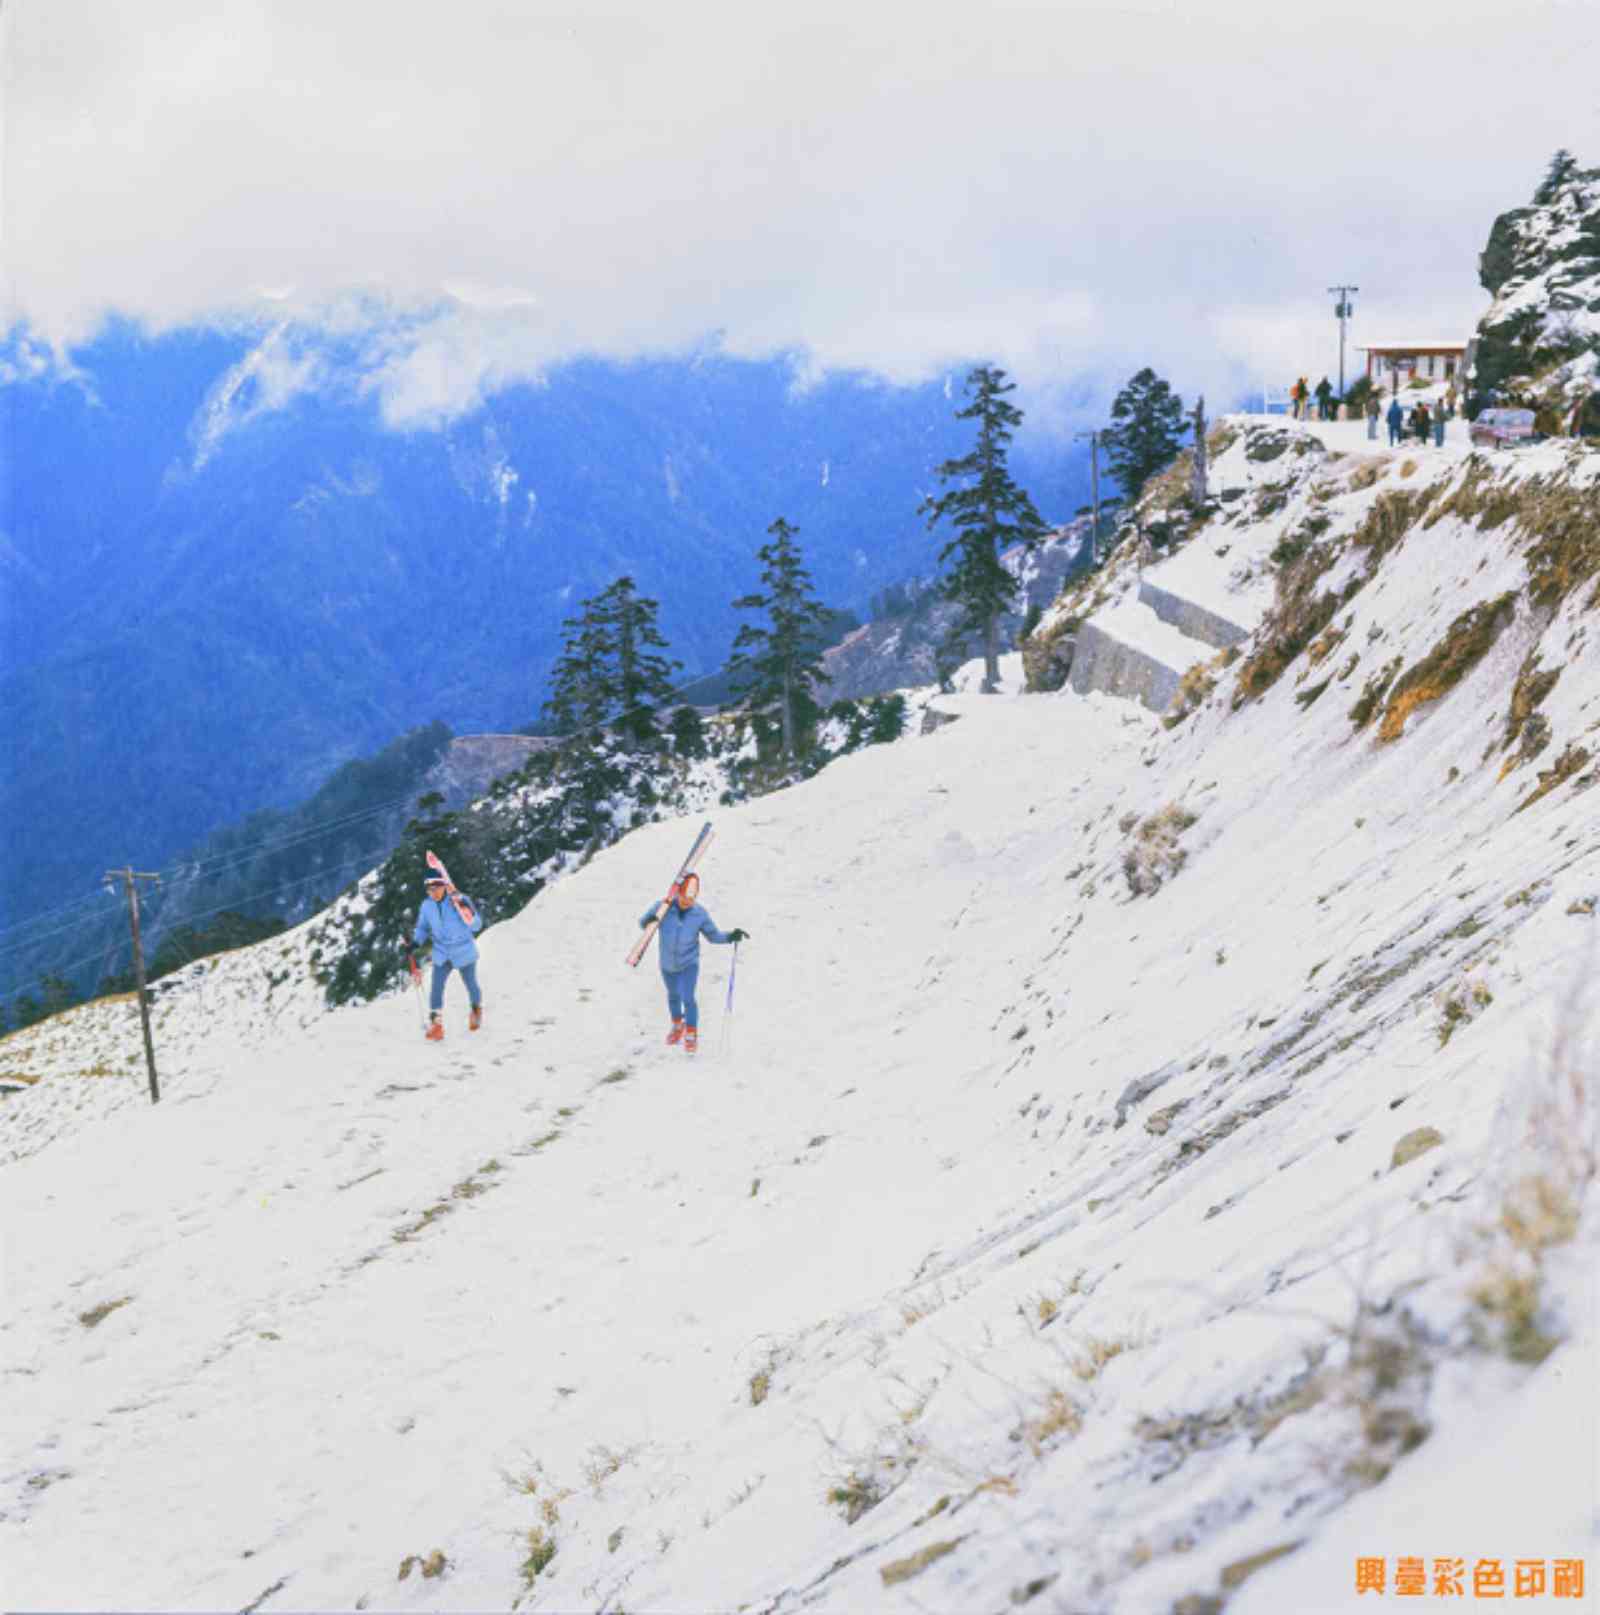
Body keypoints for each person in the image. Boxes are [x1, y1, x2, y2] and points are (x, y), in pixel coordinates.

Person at [639, 872, 747, 1054]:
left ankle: (691, 1032)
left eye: (692, 899)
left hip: (689, 963)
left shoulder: (699, 914)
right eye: (684, 898)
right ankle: (677, 1025)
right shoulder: (662, 908)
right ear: (677, 893)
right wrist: (649, 921)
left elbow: (713, 936)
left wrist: (730, 936)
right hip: (667, 963)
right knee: (673, 995)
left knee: (687, 997)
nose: (687, 902)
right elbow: (644, 924)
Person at [412, 872, 484, 1040]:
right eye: (429, 890)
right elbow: (422, 927)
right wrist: (415, 942)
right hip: (442, 952)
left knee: (471, 984)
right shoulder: (426, 906)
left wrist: (466, 908)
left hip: (463, 950)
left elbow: (476, 925)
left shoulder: (458, 900)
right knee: (436, 987)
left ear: (444, 886)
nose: (433, 893)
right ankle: (436, 1025)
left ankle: (476, 1010)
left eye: (436, 888)